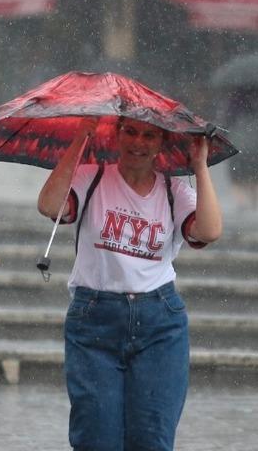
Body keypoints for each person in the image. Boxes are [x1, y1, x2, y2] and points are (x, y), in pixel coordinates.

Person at [37, 118, 222, 451]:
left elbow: (208, 231)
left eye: (150, 135)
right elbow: (50, 205)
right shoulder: (90, 177)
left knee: (152, 439)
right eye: (131, 132)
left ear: (161, 142)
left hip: (160, 324)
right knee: (96, 438)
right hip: (94, 320)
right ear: (117, 134)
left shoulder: (174, 191)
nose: (139, 142)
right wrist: (81, 138)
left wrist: (200, 167)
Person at [217, 86, 258, 212]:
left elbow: (225, 126)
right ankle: (255, 205)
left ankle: (242, 202)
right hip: (257, 147)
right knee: (255, 178)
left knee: (236, 178)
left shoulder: (233, 104)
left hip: (237, 146)